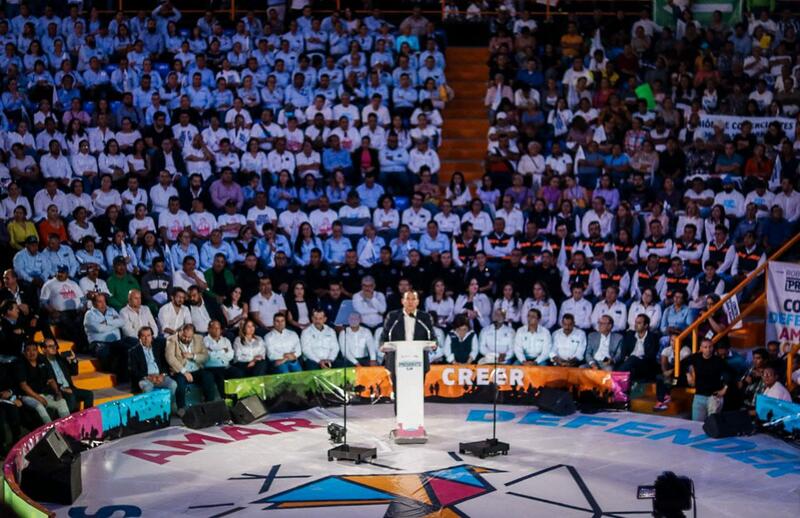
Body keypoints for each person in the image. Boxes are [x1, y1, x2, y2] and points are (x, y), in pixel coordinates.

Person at [165, 323, 220, 415]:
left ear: (193, 335)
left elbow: (206, 357)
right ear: (180, 332)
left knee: (208, 376)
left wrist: (193, 356)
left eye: (189, 337)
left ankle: (209, 404)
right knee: (180, 382)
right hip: (180, 370)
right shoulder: (172, 339)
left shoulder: (199, 339)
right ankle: (181, 409)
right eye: (184, 336)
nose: (186, 339)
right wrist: (184, 371)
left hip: (196, 369)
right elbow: (170, 358)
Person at [17, 342, 69, 424]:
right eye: (28, 350)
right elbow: (23, 386)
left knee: (62, 402)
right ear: (24, 353)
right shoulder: (20, 364)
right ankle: (50, 431)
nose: (32, 353)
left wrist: (57, 392)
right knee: (39, 406)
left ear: (37, 351)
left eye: (34, 350)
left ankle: (67, 427)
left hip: (42, 394)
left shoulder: (41, 362)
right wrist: (39, 398)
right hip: (27, 395)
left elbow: (51, 380)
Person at [129, 326, 178, 412]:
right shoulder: (134, 351)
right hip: (145, 378)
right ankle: (151, 413)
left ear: (152, 337)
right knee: (148, 388)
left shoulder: (158, 347)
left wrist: (162, 375)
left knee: (173, 384)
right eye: (143, 336)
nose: (146, 338)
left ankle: (170, 410)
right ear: (139, 337)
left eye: (148, 335)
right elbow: (133, 370)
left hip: (160, 376)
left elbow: (165, 363)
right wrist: (147, 377)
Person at [42, 338, 94, 412]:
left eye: (55, 345)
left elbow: (74, 372)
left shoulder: (60, 359)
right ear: (43, 349)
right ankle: (70, 421)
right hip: (57, 390)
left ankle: (87, 418)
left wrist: (73, 360)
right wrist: (62, 389)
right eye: (50, 346)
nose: (54, 348)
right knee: (71, 397)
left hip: (70, 388)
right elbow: (47, 381)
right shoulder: (42, 363)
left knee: (89, 394)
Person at [686, 339, 729, 421]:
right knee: (696, 424)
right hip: (699, 395)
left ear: (713, 348)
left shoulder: (718, 360)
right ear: (701, 348)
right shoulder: (696, 357)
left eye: (710, 347)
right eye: (705, 347)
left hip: (714, 397)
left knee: (713, 424)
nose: (708, 349)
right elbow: (684, 363)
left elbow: (728, 373)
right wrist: (688, 374)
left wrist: (725, 389)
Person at [618, 314, 660, 380]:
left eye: (639, 323)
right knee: (629, 364)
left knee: (632, 359)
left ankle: (616, 380)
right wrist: (625, 357)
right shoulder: (630, 335)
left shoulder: (653, 337)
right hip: (629, 362)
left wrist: (636, 358)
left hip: (644, 363)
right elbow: (623, 351)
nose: (636, 325)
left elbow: (651, 355)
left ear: (646, 325)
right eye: (635, 322)